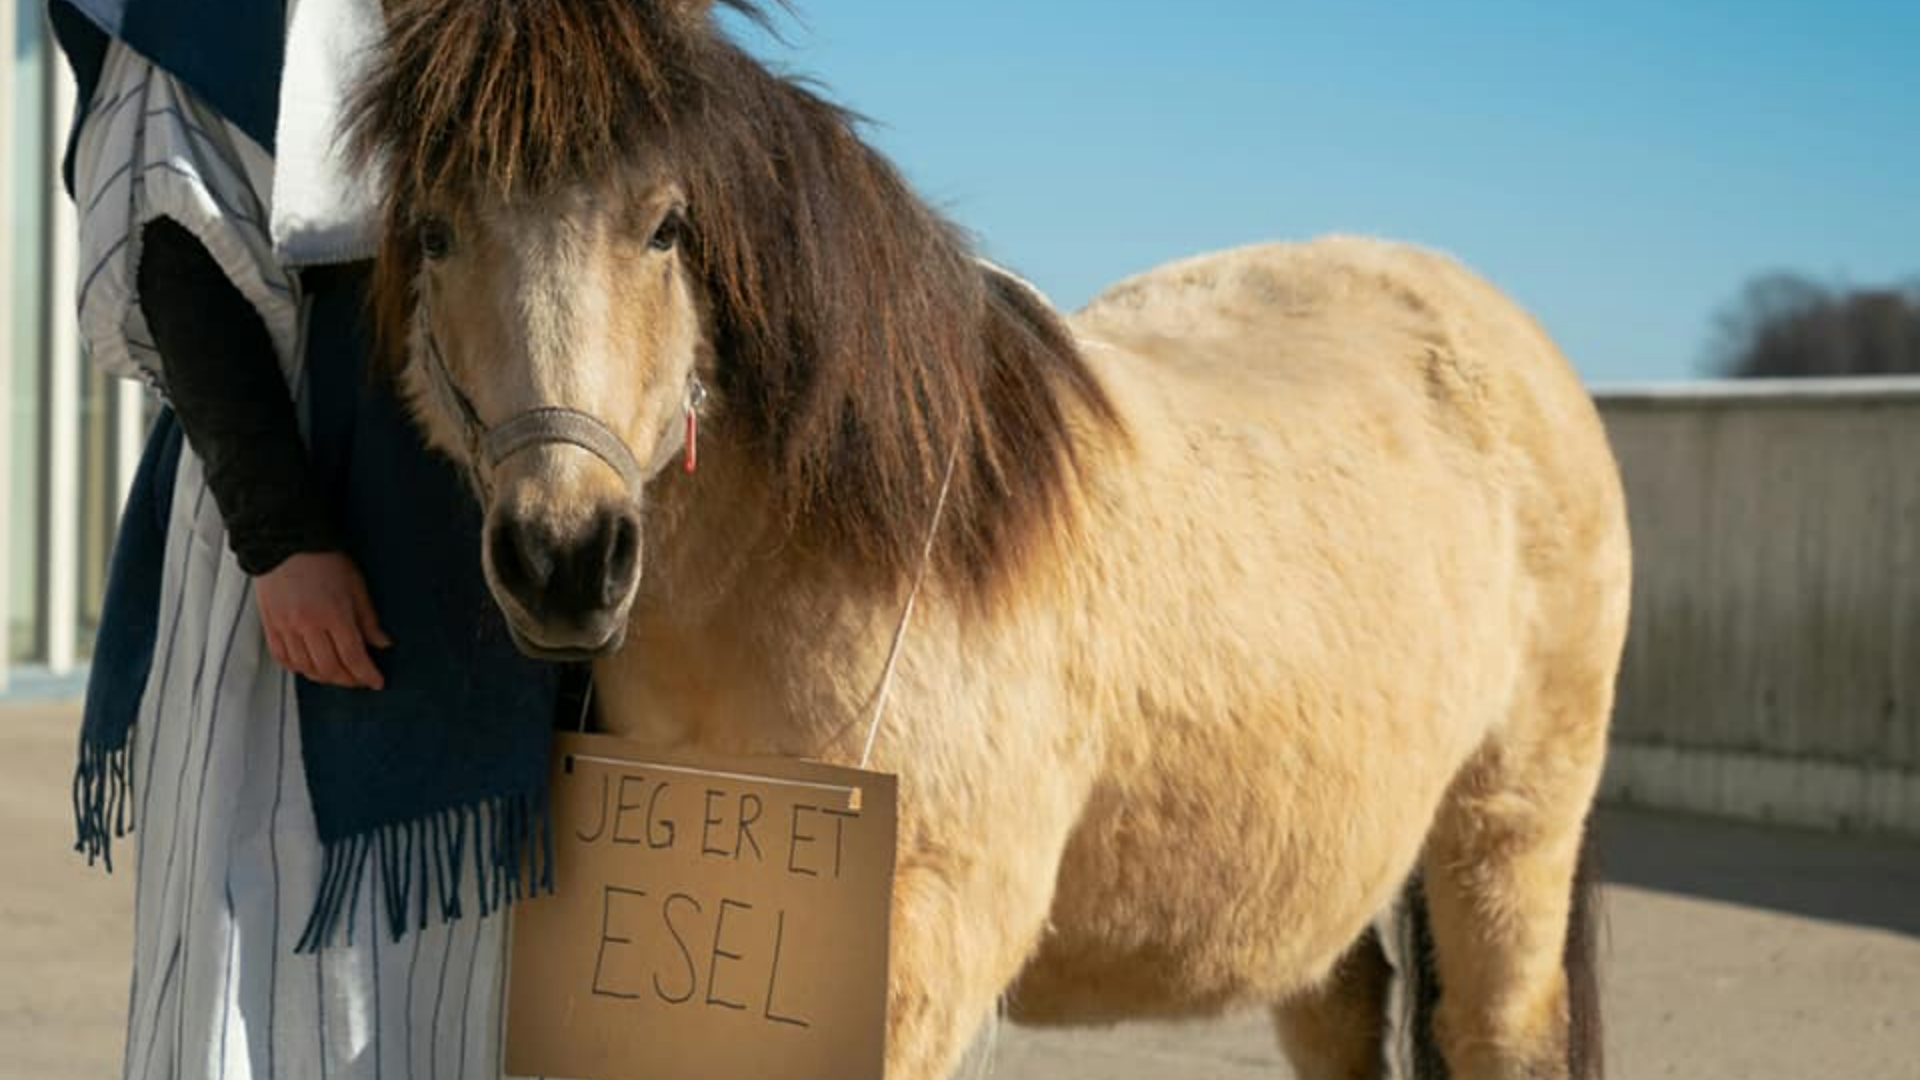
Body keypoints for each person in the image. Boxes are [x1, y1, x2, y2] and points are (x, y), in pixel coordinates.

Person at [52, 2, 570, 1076]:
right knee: (272, 938)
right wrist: (282, 540)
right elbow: (172, 249)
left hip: (505, 504)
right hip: (297, 513)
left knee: (486, 984)